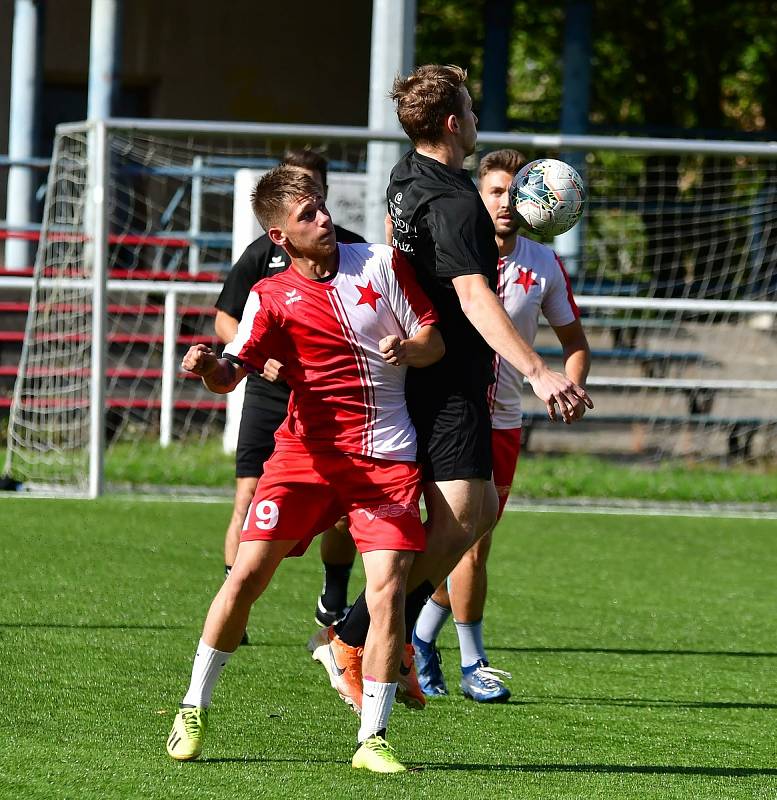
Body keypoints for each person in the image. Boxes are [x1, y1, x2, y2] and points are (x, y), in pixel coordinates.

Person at [311, 65, 592, 712]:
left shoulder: (406, 178)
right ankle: (356, 638)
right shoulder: (456, 203)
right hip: (449, 378)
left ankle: (380, 637)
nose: (474, 117)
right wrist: (538, 370)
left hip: (419, 367)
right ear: (451, 123)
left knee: (466, 515)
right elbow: (473, 296)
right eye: (468, 106)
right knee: (464, 517)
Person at [165, 166, 444, 773]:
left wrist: (413, 349)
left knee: (389, 591)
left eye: (322, 207)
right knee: (245, 576)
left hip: (385, 455)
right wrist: (207, 364)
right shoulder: (269, 298)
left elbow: (434, 339)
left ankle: (372, 739)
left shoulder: (379, 263)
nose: (324, 219)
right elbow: (230, 374)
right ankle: (193, 706)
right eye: (308, 215)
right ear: (279, 238)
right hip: (304, 457)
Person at [412, 148, 591, 702]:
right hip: (438, 414)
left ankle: (418, 639)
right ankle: (466, 660)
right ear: (477, 195)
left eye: (516, 192)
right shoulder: (453, 253)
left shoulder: (542, 264)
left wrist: (572, 383)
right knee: (434, 539)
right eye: (495, 191)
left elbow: (574, 342)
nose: (507, 202)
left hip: (502, 424)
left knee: (471, 543)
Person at [215, 149, 362, 637]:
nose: (310, 205)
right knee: (248, 495)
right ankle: (236, 599)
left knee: (343, 514)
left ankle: (335, 590)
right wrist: (262, 354)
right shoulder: (263, 253)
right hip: (268, 393)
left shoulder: (354, 252)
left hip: (331, 404)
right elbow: (227, 319)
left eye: (312, 191)